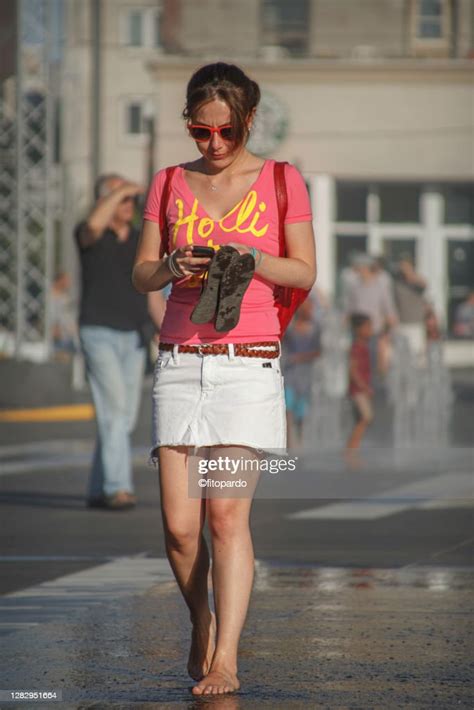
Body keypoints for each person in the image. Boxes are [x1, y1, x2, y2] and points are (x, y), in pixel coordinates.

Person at [132, 62, 316, 696]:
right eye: (198, 131)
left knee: (225, 519)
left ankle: (227, 657)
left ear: (248, 122)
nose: (211, 145)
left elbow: (303, 273)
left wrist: (253, 258)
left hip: (247, 368)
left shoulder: (282, 180)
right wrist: (170, 265)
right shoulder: (166, 182)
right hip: (181, 365)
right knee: (180, 527)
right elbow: (141, 274)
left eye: (225, 132)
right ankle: (201, 618)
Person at [75, 173, 164, 511]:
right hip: (98, 332)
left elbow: (153, 292)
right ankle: (117, 488)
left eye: (130, 198)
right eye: (121, 198)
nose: (128, 204)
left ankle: (97, 487)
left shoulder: (140, 240)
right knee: (113, 412)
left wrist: (167, 328)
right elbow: (93, 224)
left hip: (134, 334)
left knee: (123, 418)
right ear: (104, 202)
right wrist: (123, 188)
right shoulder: (90, 234)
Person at [344, 253, 397, 376]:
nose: (359, 271)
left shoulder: (380, 286)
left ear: (367, 268)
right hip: (357, 333)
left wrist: (389, 332)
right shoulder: (355, 286)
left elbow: (389, 311)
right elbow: (349, 308)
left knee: (374, 365)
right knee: (358, 366)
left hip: (375, 332)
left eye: (361, 268)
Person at [282, 297, 320, 449]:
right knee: (288, 407)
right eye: (306, 308)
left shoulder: (315, 328)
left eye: (310, 308)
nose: (309, 311)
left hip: (305, 374)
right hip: (290, 372)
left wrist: (301, 357)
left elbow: (318, 351)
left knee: (301, 410)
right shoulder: (290, 326)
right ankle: (289, 442)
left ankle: (301, 439)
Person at [346, 313, 374, 457]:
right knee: (366, 417)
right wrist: (364, 387)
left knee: (361, 419)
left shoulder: (365, 346)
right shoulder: (356, 347)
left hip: (360, 389)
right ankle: (351, 449)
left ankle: (352, 448)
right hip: (357, 390)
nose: (371, 330)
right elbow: (352, 370)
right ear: (358, 330)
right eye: (368, 327)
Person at [392, 254, 428, 359]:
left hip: (416, 322)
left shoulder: (417, 281)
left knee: (416, 353)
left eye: (406, 266)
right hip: (401, 322)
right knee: (400, 355)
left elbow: (424, 285)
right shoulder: (397, 283)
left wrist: (410, 275)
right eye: (402, 266)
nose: (403, 269)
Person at [50, 271, 78, 356]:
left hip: (68, 338)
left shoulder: (65, 297)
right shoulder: (49, 297)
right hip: (56, 339)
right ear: (59, 280)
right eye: (66, 280)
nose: (68, 283)